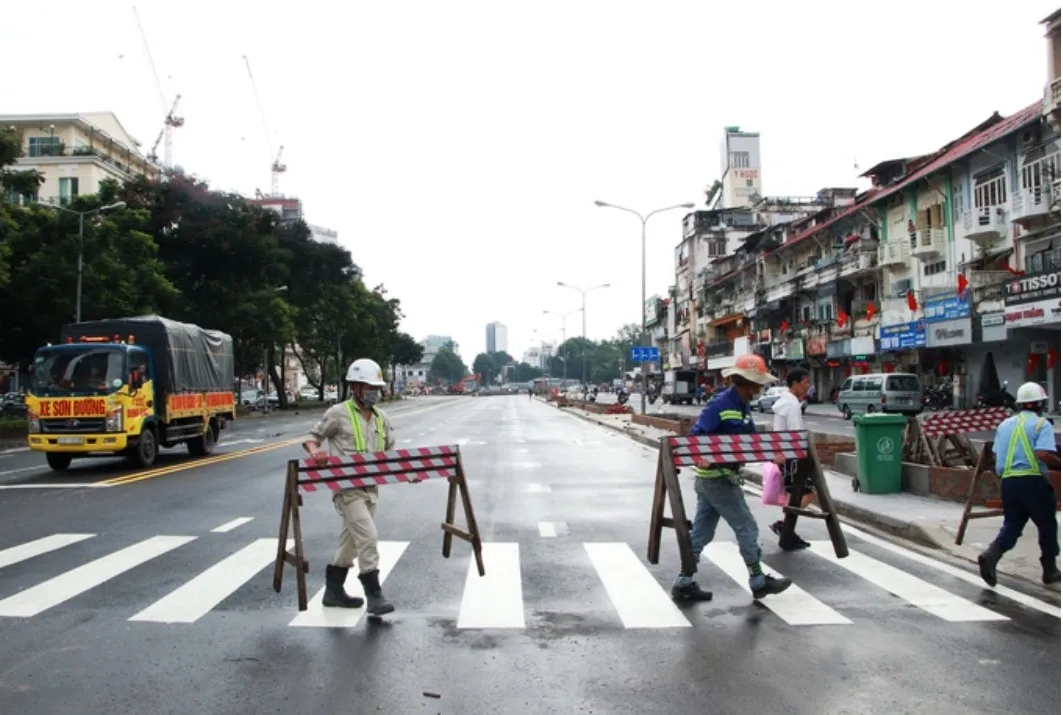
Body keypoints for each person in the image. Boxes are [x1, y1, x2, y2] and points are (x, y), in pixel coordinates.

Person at [671, 354, 793, 603]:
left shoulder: (743, 405)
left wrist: (771, 455)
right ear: (746, 382)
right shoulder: (720, 405)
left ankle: (684, 581)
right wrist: (700, 456)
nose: (761, 388)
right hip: (718, 478)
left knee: (702, 534)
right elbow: (696, 435)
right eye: (758, 383)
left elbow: (750, 441)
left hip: (716, 479)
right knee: (746, 527)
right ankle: (758, 581)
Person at [303, 357, 397, 614]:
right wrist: (316, 453)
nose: (374, 393)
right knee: (368, 537)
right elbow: (312, 438)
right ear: (355, 387)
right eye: (369, 388)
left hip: (371, 490)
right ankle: (374, 596)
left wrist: (408, 472)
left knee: (350, 543)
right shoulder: (338, 413)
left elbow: (390, 452)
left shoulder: (381, 418)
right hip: (346, 490)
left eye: (377, 388)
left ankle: (333, 592)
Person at [978, 382, 1061, 587]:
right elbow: (1042, 453)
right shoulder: (1042, 424)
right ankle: (1049, 569)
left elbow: (997, 454)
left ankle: (991, 555)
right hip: (1033, 481)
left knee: (1013, 524)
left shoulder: (1005, 425)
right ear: (1040, 403)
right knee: (1047, 524)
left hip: (1009, 483)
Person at [770, 368, 814, 550]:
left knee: (794, 495)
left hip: (783, 454)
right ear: (795, 384)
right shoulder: (793, 405)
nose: (808, 387)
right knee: (808, 493)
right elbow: (796, 433)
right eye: (805, 383)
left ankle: (786, 531)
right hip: (792, 456)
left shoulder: (784, 402)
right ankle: (784, 525)